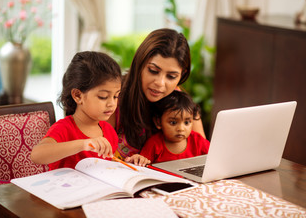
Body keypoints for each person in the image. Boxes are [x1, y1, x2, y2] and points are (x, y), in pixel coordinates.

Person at [108, 28, 206, 166]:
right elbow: (96, 156)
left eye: (171, 76)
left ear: (182, 75)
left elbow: (204, 156)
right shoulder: (114, 98)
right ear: (140, 63)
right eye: (153, 71)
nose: (160, 83)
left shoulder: (181, 103)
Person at [31, 51, 122, 170]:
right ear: (78, 96)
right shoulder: (64, 128)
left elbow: (111, 164)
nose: (112, 103)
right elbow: (37, 155)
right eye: (103, 97)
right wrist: (83, 144)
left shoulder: (109, 131)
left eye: (116, 96)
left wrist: (130, 162)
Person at [140, 90, 210, 163]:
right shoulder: (154, 144)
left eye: (186, 122)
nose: (181, 129)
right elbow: (142, 165)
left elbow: (215, 157)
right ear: (158, 122)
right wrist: (140, 159)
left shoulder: (197, 141)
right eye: (173, 122)